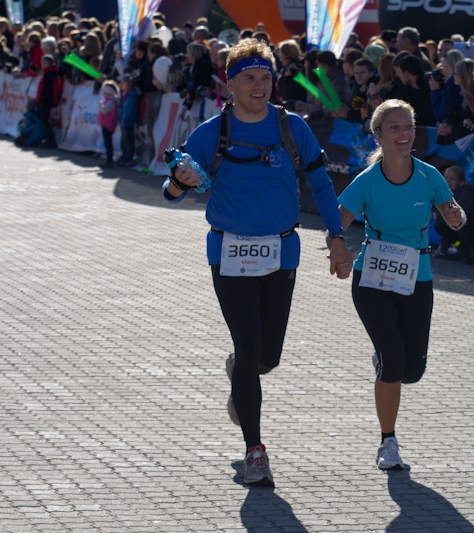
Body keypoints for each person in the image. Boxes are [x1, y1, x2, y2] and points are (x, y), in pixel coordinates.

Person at [162, 38, 352, 486]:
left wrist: (336, 237)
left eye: (265, 77)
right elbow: (172, 193)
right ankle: (255, 451)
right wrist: (179, 181)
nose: (259, 85)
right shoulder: (211, 133)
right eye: (249, 77)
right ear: (230, 84)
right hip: (228, 253)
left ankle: (239, 370)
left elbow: (321, 186)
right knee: (250, 347)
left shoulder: (293, 128)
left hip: (281, 252)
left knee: (267, 357)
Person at [335, 99, 465, 470]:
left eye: (408, 126)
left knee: (412, 371)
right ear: (378, 135)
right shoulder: (367, 181)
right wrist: (338, 250)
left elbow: (454, 213)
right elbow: (335, 224)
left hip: (416, 278)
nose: (404, 133)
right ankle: (387, 442)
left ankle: (385, 360)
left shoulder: (429, 176)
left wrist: (455, 216)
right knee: (394, 360)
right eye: (395, 127)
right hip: (372, 278)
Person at [433, 165, 474, 264]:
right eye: (446, 178)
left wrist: (434, 216)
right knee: (440, 226)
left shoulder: (465, 194)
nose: (447, 182)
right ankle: (461, 249)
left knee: (458, 221)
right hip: (465, 233)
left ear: (461, 182)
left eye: (452, 179)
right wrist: (442, 250)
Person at [36, 54, 62, 149]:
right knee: (44, 121)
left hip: (47, 101)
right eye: (42, 62)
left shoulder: (50, 73)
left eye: (45, 62)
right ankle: (47, 139)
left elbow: (47, 89)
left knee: (45, 121)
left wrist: (42, 99)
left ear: (50, 63)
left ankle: (50, 141)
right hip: (46, 100)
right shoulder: (47, 72)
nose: (43, 64)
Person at [117, 74, 139, 167]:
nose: (120, 84)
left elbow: (128, 110)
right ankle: (124, 156)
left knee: (128, 140)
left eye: (122, 82)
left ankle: (128, 157)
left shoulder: (131, 95)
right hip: (123, 121)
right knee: (123, 139)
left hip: (127, 122)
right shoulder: (124, 93)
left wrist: (125, 121)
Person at [97, 80, 120, 169]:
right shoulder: (109, 100)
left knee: (108, 143)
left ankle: (109, 161)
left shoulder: (111, 101)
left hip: (108, 125)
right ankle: (108, 160)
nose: (103, 93)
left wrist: (100, 105)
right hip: (106, 124)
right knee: (107, 143)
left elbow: (105, 110)